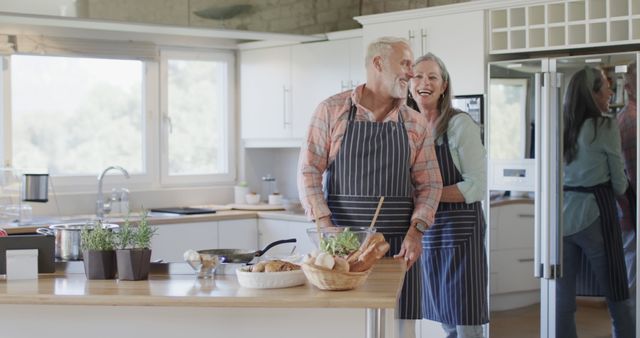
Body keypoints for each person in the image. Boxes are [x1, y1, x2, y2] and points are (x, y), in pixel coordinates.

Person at [298, 36, 443, 338]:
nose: (410, 73)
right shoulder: (332, 110)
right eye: (405, 64)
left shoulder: (414, 123)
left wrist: (417, 231)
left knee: (399, 330)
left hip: (398, 249)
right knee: (345, 328)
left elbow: (430, 184)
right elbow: (309, 169)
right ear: (378, 63)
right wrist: (324, 224)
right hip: (342, 248)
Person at [407, 53, 488, 338]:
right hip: (429, 232)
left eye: (432, 77)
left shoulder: (459, 125)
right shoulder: (410, 127)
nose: (424, 82)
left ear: (444, 86)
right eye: (418, 76)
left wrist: (428, 194)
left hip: (460, 233)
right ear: (408, 83)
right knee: (445, 318)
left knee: (465, 321)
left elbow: (476, 186)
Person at [560, 66, 634, 338]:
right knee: (616, 289)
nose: (610, 91)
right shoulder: (605, 125)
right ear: (593, 94)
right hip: (594, 216)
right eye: (606, 87)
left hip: (561, 219)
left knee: (562, 301)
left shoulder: (561, 125)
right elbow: (619, 184)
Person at [616, 62, 637, 320]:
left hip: (627, 212)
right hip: (632, 214)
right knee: (634, 277)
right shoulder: (632, 120)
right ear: (630, 87)